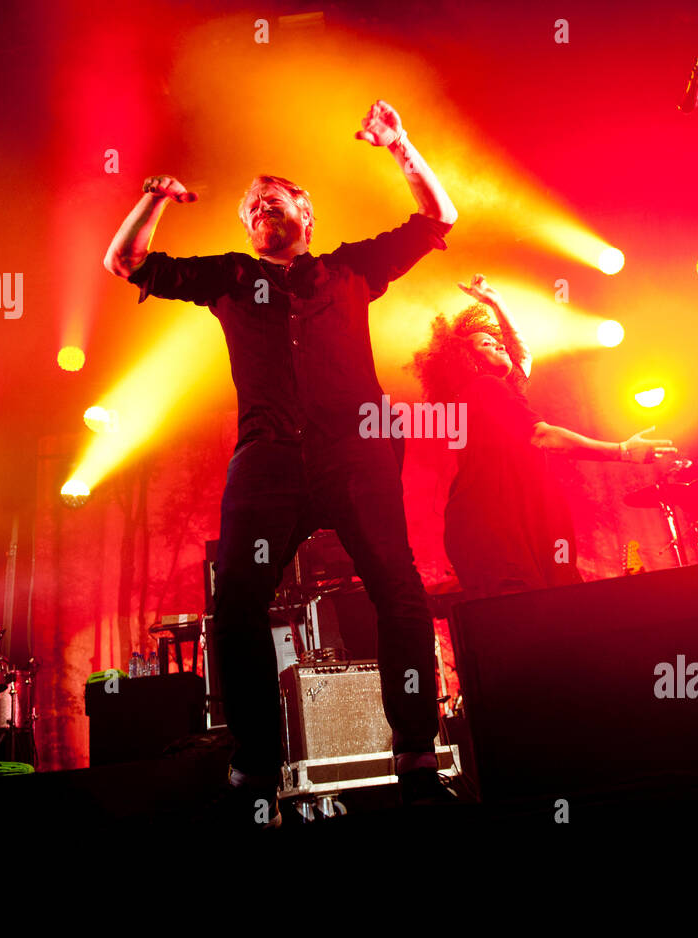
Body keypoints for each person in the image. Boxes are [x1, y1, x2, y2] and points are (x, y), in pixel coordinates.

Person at [105, 100, 457, 826]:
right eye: (251, 204)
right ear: (247, 229)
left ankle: (417, 760)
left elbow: (439, 217)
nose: (262, 205)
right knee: (235, 605)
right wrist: (154, 196)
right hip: (269, 460)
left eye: (276, 197)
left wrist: (399, 146)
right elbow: (125, 261)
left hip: (356, 454)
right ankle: (256, 770)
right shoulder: (232, 277)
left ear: (306, 212)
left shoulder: (350, 269)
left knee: (399, 590)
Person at [410, 274, 676, 599]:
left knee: (553, 604)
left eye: (497, 341)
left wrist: (496, 304)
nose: (499, 344)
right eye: (486, 344)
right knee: (532, 611)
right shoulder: (483, 388)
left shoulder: (498, 389)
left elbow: (521, 355)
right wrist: (621, 450)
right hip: (494, 521)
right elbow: (542, 436)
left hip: (508, 517)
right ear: (468, 362)